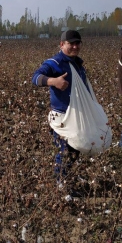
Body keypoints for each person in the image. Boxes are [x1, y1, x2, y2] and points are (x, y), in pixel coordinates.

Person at [32, 30, 88, 182]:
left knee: (76, 148)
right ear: (62, 44)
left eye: (78, 43)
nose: (75, 47)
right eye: (71, 44)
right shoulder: (54, 63)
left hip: (77, 115)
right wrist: (53, 81)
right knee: (64, 150)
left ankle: (67, 176)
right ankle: (60, 183)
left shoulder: (78, 64)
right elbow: (36, 77)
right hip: (62, 116)